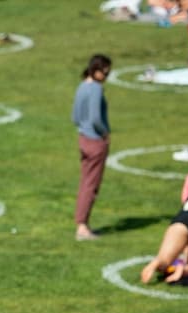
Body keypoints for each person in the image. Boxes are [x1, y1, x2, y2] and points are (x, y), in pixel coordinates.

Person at [72, 54, 111, 241]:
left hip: (83, 138)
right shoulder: (95, 89)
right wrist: (104, 133)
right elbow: (96, 118)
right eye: (105, 72)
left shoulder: (82, 87)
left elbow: (75, 117)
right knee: (91, 185)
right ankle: (82, 226)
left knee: (85, 182)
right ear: (97, 70)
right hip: (95, 140)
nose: (107, 76)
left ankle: (81, 222)